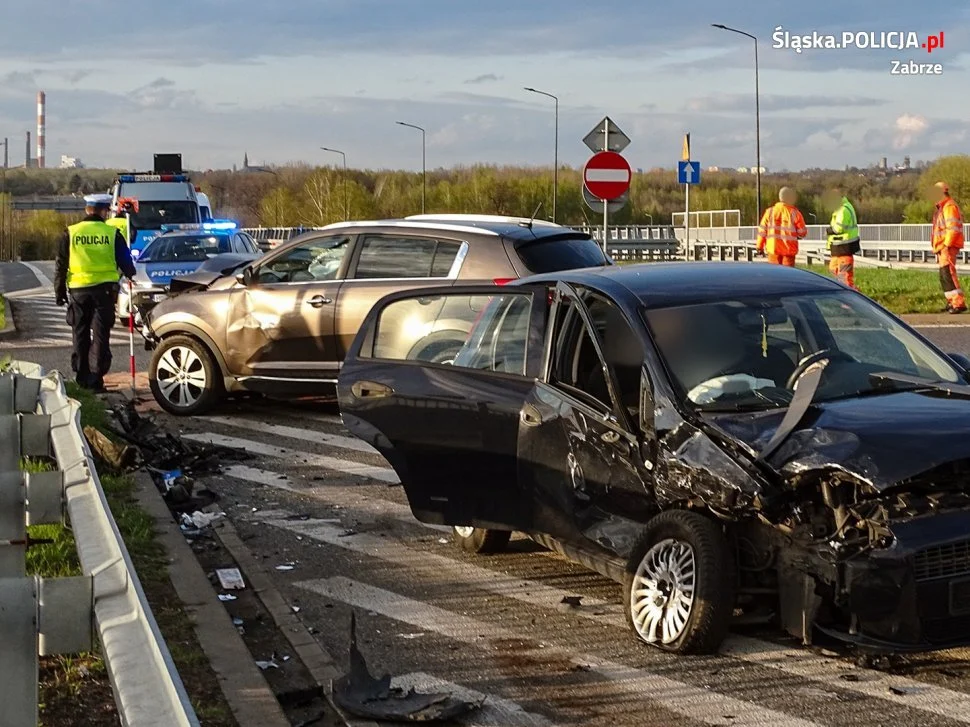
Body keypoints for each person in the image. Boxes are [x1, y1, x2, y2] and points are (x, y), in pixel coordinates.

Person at [54, 194, 137, 391]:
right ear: (104, 211)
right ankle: (96, 378)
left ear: (87, 210)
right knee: (100, 334)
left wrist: (59, 292)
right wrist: (130, 273)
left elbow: (61, 265)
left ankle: (82, 377)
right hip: (104, 292)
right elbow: (126, 261)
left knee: (80, 333)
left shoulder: (71, 232)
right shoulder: (112, 233)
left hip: (78, 291)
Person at [930, 182, 966, 314]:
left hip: (947, 246)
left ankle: (958, 303)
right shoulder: (943, 207)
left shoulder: (949, 207)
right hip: (943, 246)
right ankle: (952, 301)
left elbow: (953, 229)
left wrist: (946, 245)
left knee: (948, 273)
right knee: (944, 275)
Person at [756, 187, 807, 267]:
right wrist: (797, 235)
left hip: (773, 249)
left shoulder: (770, 212)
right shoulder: (795, 213)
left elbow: (762, 231)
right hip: (789, 250)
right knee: (787, 274)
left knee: (775, 273)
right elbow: (802, 232)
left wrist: (759, 246)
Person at [823, 187, 861, 289]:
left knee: (844, 277)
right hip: (839, 248)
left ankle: (851, 295)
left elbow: (838, 228)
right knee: (834, 271)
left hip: (844, 247)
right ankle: (840, 292)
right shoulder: (843, 208)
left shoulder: (843, 210)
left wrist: (828, 231)